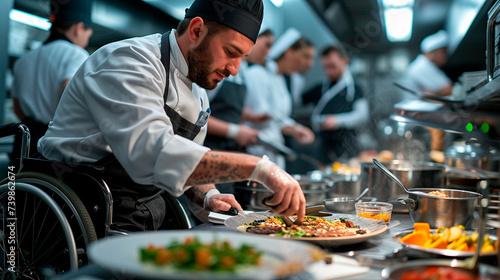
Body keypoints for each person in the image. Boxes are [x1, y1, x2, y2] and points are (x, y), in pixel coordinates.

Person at [37, 0, 306, 231]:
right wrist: (259, 167)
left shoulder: (198, 91)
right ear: (197, 30)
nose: (234, 69)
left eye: (242, 58)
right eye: (230, 52)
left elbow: (186, 161)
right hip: (82, 205)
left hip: (143, 211)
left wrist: (209, 195)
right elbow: (151, 153)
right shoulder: (130, 60)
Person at [10, 0, 93, 166]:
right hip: (52, 144)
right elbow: (68, 95)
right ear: (78, 28)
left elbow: (16, 105)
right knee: (45, 189)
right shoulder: (77, 54)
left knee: (17, 187)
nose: (86, 40)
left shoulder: (24, 59)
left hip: (22, 140)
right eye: (88, 35)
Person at [244, 28, 315, 169]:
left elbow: (279, 119)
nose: (309, 63)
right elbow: (262, 118)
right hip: (256, 152)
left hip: (274, 153)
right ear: (289, 52)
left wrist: (296, 129)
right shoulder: (258, 74)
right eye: (305, 56)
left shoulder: (280, 79)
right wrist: (289, 126)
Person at [204, 30, 275, 153]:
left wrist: (249, 117)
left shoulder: (244, 72)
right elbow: (195, 115)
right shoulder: (220, 67)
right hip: (207, 146)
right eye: (266, 45)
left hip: (228, 148)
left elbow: (226, 110)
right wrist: (235, 131)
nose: (268, 52)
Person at [302, 45, 369, 164]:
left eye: (332, 66)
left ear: (344, 61)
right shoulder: (320, 87)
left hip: (348, 147)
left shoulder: (355, 88)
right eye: (326, 67)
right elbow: (297, 100)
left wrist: (336, 121)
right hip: (324, 148)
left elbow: (362, 115)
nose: (329, 71)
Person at [401, 30, 451, 151]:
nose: (445, 56)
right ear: (432, 52)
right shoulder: (422, 66)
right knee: (429, 155)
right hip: (420, 124)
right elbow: (448, 88)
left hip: (421, 121)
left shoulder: (423, 66)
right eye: (442, 52)